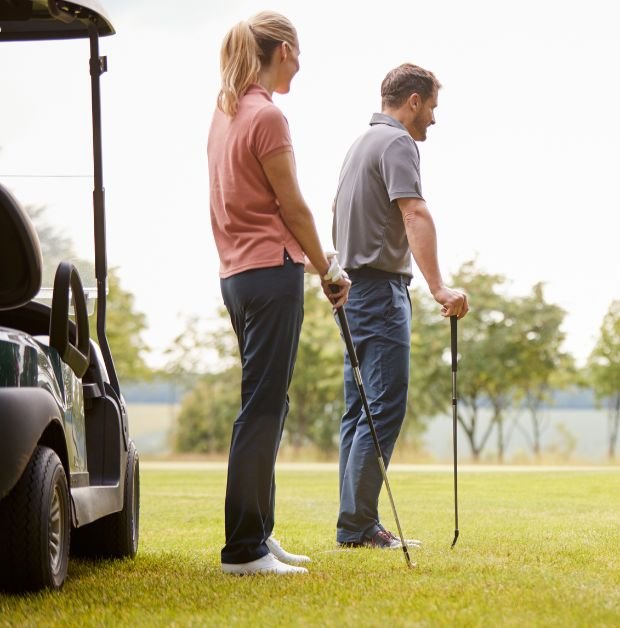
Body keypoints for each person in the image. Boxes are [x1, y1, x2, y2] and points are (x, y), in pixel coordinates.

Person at [207, 11, 349, 576]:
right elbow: (292, 205)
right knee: (262, 408)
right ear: (284, 50)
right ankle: (243, 549)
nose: (302, 63)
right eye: (300, 52)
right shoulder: (267, 115)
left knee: (267, 403)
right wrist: (327, 267)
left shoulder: (225, 113)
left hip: (239, 276)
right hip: (271, 272)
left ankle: (260, 536)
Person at [333, 63, 469, 549]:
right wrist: (439, 287)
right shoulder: (396, 143)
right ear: (413, 100)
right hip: (379, 293)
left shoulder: (361, 144)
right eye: (432, 106)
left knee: (359, 411)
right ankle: (360, 527)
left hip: (352, 292)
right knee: (382, 408)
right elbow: (414, 212)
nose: (433, 117)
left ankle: (352, 525)